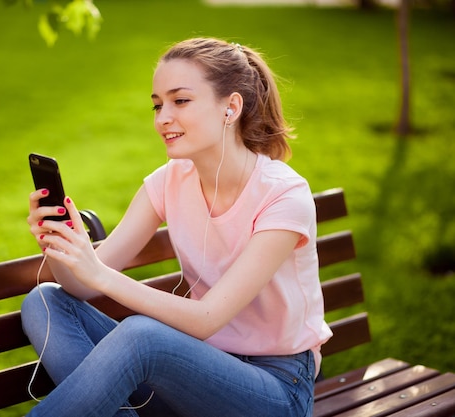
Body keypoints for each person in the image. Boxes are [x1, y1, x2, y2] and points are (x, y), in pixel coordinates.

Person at [21, 37, 332, 417]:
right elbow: (80, 286)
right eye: (157, 105)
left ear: (231, 107)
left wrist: (98, 271)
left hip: (276, 388)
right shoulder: (168, 181)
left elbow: (207, 319)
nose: (162, 118)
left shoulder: (284, 196)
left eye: (180, 101)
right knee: (46, 302)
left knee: (142, 337)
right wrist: (61, 242)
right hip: (191, 374)